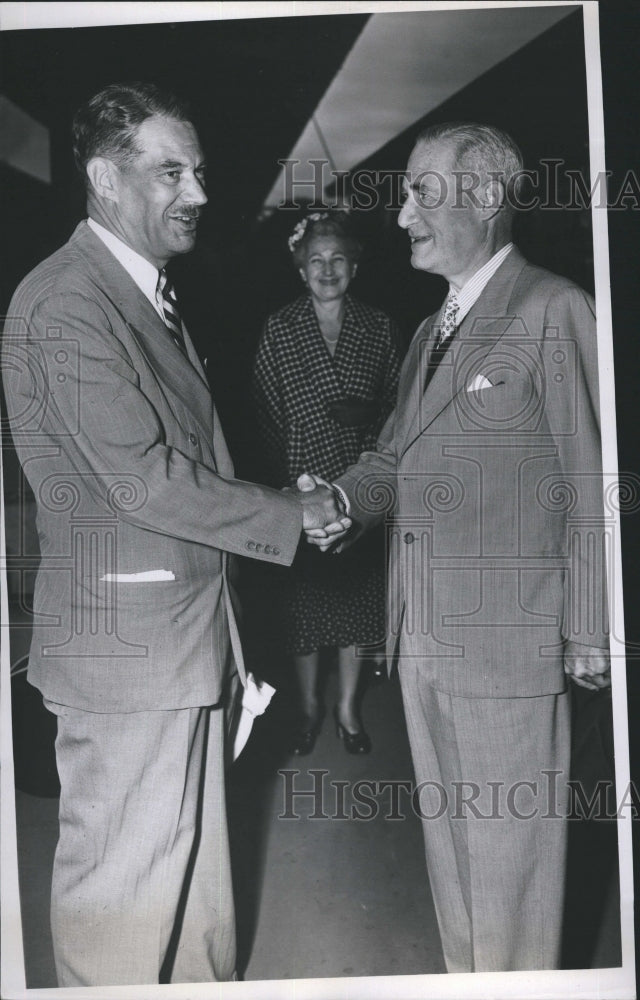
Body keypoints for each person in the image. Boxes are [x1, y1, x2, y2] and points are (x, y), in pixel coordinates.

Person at [1, 81, 346, 988]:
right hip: (129, 660)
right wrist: (287, 514)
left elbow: (178, 455)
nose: (197, 193)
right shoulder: (67, 304)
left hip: (183, 643)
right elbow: (138, 475)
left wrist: (275, 494)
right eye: (170, 172)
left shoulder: (142, 294)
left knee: (194, 894)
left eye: (198, 172)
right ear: (104, 180)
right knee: (123, 907)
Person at [304, 122, 610, 972]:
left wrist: (591, 627)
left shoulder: (553, 308)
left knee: (512, 881)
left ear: (483, 198)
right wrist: (335, 501)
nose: (401, 216)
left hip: (510, 646)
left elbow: (595, 478)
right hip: (424, 642)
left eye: (420, 193)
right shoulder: (430, 330)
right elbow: (393, 458)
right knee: (455, 870)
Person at [253, 211, 401, 754]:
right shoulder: (280, 328)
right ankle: (311, 707)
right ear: (300, 270)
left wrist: (366, 421)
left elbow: (396, 410)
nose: (327, 269)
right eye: (316, 260)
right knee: (305, 609)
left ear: (355, 265)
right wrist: (282, 493)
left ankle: (346, 710)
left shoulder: (380, 326)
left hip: (358, 483)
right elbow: (265, 414)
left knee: (359, 605)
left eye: (338, 258)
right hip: (299, 484)